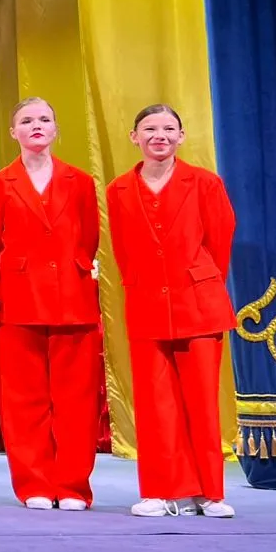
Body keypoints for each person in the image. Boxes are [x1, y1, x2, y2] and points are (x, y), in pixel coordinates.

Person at [107, 104, 237, 518]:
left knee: (201, 402)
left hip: (198, 304)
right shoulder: (119, 189)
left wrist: (198, 282)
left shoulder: (205, 183)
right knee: (155, 405)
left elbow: (219, 243)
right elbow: (123, 251)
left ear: (181, 136)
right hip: (146, 305)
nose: (158, 135)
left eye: (168, 128)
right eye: (149, 128)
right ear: (134, 137)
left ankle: (209, 493)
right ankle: (160, 491)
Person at [0, 97, 103, 511]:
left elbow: (89, 238)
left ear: (55, 129)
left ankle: (73, 486)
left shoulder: (80, 181)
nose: (36, 126)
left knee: (77, 400)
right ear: (13, 132)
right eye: (26, 120)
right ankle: (33, 483)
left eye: (44, 119)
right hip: (18, 300)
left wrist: (70, 269)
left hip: (73, 298)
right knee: (23, 400)